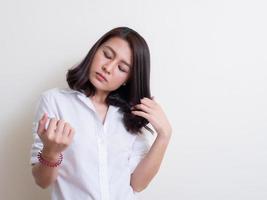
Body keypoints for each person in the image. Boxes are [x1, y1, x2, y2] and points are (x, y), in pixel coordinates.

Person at [30, 26, 172, 200]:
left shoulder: (131, 114)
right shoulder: (55, 101)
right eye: (107, 55)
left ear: (129, 78)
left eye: (122, 68)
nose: (108, 68)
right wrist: (50, 153)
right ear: (95, 51)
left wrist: (164, 136)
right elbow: (42, 181)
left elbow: (137, 184)